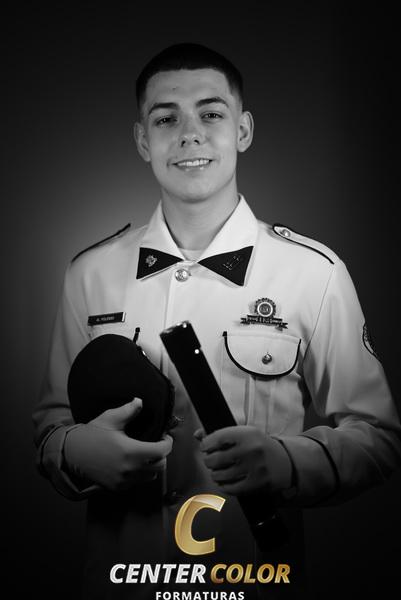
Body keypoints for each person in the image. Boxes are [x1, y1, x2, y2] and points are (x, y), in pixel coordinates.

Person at [33, 43, 401, 599]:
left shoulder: (314, 273)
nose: (189, 134)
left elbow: (378, 438)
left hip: (254, 584)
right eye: (166, 119)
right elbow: (50, 427)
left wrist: (287, 462)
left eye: (211, 113)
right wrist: (76, 451)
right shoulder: (90, 273)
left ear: (243, 130)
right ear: (142, 140)